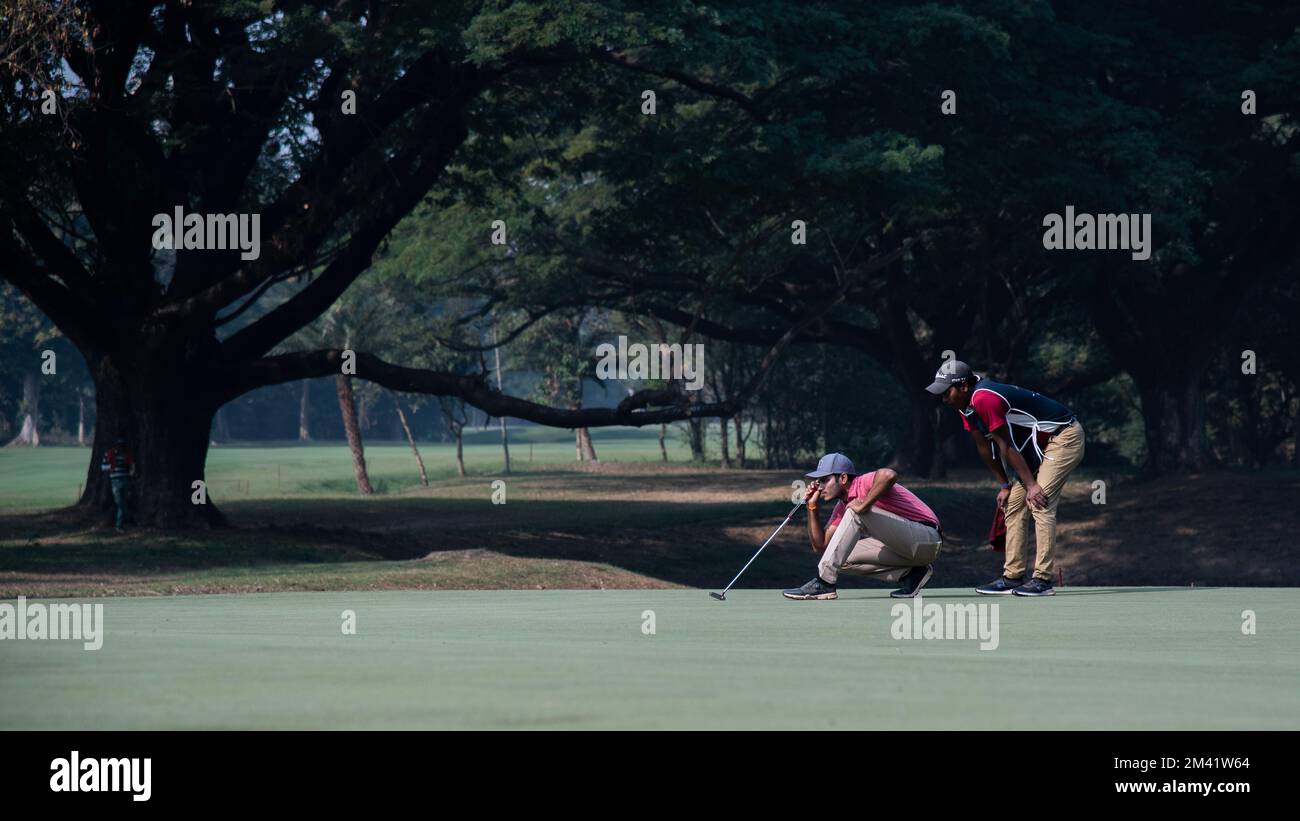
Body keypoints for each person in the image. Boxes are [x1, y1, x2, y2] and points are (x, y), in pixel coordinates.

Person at [925, 360, 1085, 597]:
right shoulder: (965, 405)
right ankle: (1012, 577)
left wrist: (1031, 485)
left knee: (1040, 501)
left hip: (1064, 437)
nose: (944, 399)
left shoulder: (984, 398)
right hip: (1036, 446)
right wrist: (1004, 485)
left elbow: (1005, 444)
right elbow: (983, 447)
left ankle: (1042, 580)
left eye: (947, 391)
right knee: (1014, 504)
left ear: (964, 387)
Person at [783, 452, 944, 601]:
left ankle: (824, 582)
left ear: (844, 478)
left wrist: (863, 505)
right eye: (818, 482)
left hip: (927, 538)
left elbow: (889, 474)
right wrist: (812, 507)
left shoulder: (862, 483)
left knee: (856, 510)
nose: (820, 487)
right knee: (839, 554)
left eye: (825, 480)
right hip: (906, 548)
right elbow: (822, 546)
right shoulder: (842, 506)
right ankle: (912, 574)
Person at [100, 435, 137, 531]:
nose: (120, 447)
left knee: (123, 502)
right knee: (119, 502)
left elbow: (132, 465)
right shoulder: (109, 454)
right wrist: (111, 467)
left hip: (125, 480)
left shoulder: (127, 454)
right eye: (118, 445)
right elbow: (103, 467)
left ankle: (119, 525)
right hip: (115, 481)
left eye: (122, 445)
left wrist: (132, 471)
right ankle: (130, 519)